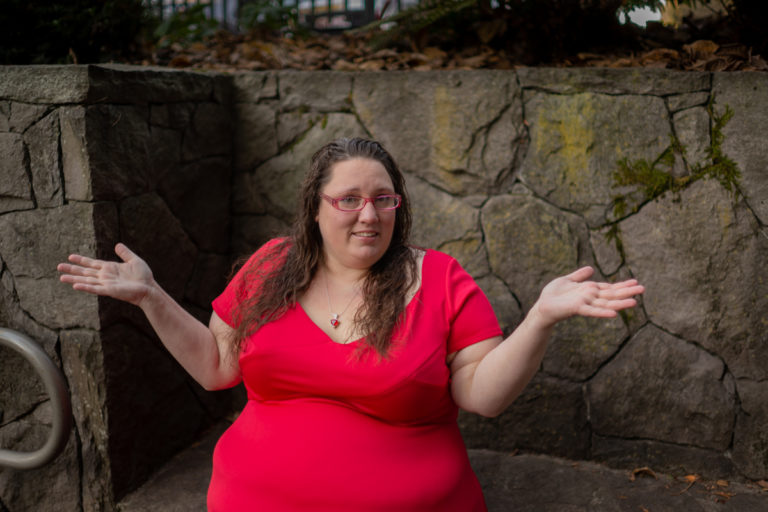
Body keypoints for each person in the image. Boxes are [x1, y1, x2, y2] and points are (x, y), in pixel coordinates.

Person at [58, 137, 644, 511]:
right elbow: (217, 367)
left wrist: (540, 317)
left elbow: (482, 396)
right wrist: (151, 296)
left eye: (384, 200)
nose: (369, 214)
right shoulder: (269, 267)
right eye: (349, 200)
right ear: (315, 208)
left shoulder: (439, 278)